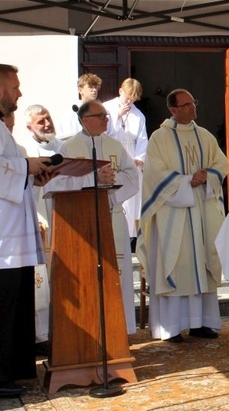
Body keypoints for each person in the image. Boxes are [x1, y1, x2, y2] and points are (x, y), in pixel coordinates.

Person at [136, 88, 228, 342]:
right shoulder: (159, 138)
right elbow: (154, 174)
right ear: (173, 110)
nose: (192, 108)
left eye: (193, 102)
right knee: (177, 266)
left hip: (201, 213)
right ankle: (172, 326)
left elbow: (221, 163)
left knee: (202, 264)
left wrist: (207, 176)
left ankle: (201, 323)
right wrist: (187, 181)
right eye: (186, 105)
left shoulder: (205, 135)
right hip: (172, 215)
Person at [45, 100, 140, 334]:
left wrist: (109, 195)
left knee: (116, 274)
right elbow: (55, 183)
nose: (107, 119)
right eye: (101, 116)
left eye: (106, 116)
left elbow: (133, 177)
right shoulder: (68, 148)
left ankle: (119, 330)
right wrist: (92, 180)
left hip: (113, 216)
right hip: (81, 220)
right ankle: (89, 330)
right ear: (85, 120)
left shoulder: (115, 145)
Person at [0, 64, 54, 399]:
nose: (19, 92)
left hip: (13, 233)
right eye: (14, 86)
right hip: (2, 239)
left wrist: (32, 175)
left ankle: (16, 367)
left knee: (15, 305)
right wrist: (26, 166)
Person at [21, 104, 62, 352]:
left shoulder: (62, 148)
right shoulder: (26, 152)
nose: (47, 123)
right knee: (41, 280)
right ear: (30, 127)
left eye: (48, 118)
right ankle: (40, 336)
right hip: (39, 221)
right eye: (40, 121)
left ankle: (62, 330)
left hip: (63, 217)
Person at [104, 78, 148, 239]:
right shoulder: (106, 108)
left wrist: (139, 158)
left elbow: (143, 140)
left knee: (133, 202)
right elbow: (103, 135)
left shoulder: (138, 115)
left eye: (133, 99)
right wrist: (117, 116)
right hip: (113, 160)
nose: (129, 101)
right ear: (120, 91)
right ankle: (114, 235)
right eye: (127, 97)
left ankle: (131, 237)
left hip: (131, 163)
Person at [57, 73, 102, 140]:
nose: (95, 90)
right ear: (80, 90)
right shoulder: (71, 112)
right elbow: (67, 138)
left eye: (96, 87)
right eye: (90, 87)